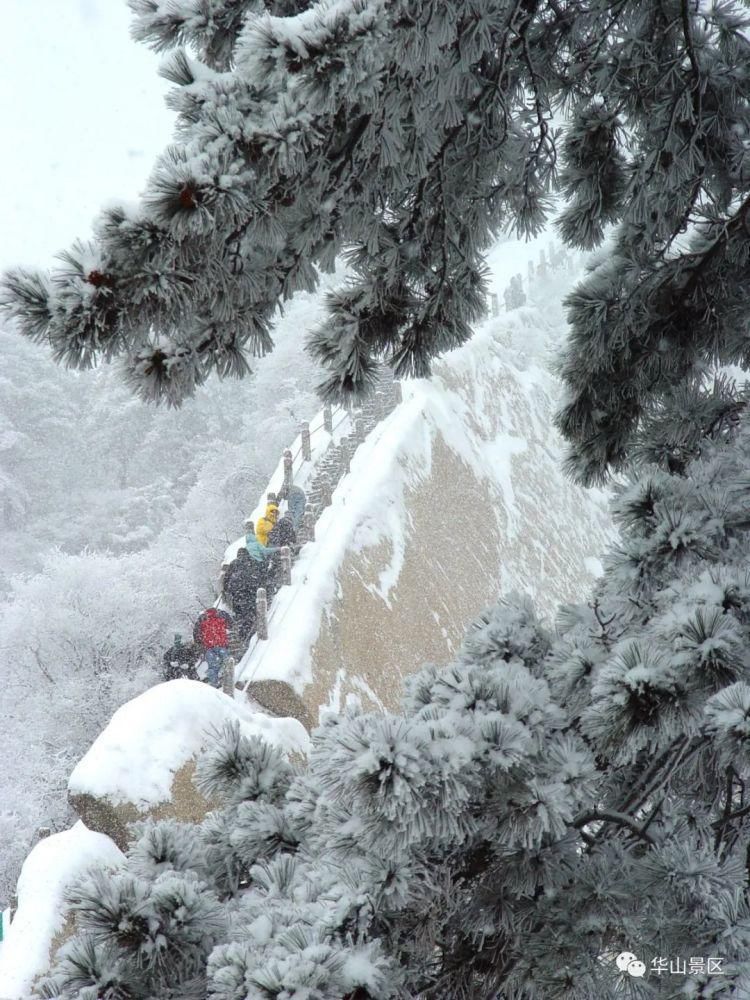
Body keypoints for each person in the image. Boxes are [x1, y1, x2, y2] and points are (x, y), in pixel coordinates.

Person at [224, 548, 258, 645]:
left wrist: (226, 589)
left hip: (237, 592)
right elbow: (258, 574)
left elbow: (227, 577)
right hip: (250, 591)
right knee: (250, 612)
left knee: (241, 613)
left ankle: (243, 632)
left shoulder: (234, 563)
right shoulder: (251, 561)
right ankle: (248, 632)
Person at [193, 607, 232, 687]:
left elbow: (196, 633)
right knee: (227, 664)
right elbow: (231, 623)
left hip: (209, 647)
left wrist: (200, 643)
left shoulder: (203, 621)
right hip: (222, 645)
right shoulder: (221, 619)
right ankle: (226, 680)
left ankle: (214, 683)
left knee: (212, 666)